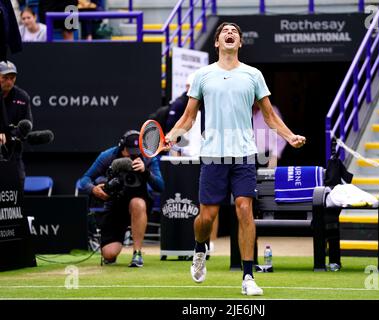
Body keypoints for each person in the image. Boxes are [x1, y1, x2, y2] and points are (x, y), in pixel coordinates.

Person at [164, 22, 306, 296]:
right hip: (213, 155)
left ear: (239, 42)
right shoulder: (203, 76)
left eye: (235, 33)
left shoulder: (253, 75)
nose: (229, 34)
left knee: (244, 210)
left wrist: (289, 137)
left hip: (243, 154)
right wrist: (172, 136)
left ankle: (248, 276)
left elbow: (269, 116)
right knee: (207, 217)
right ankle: (199, 248)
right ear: (217, 42)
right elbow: (189, 116)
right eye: (224, 32)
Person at [79, 130, 164, 268]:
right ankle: (111, 248)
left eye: (137, 151)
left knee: (138, 203)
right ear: (121, 147)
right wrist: (94, 189)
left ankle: (137, 253)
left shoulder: (148, 157)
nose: (133, 155)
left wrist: (146, 172)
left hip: (137, 203)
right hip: (115, 204)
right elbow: (84, 179)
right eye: (130, 152)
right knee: (109, 254)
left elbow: (160, 186)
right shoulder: (108, 156)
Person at [0, 60, 33, 188]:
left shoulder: (23, 97)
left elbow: (27, 125)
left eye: (12, 78)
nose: (9, 81)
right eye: (5, 78)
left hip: (14, 155)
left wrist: (9, 136)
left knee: (16, 191)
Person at [253, 103, 287, 168]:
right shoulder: (245, 112)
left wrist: (274, 157)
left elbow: (281, 137)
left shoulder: (271, 110)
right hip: (248, 158)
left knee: (265, 177)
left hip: (267, 156)